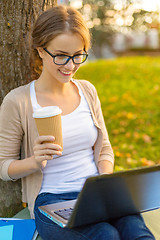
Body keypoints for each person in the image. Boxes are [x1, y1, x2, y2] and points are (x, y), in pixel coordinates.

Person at [0, 5, 155, 240]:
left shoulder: (87, 91)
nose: (71, 66)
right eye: (61, 55)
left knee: (137, 232)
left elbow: (104, 150)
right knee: (106, 235)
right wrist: (35, 161)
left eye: (78, 55)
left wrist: (104, 180)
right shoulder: (18, 101)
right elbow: (3, 166)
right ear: (41, 50)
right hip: (52, 200)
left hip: (96, 194)